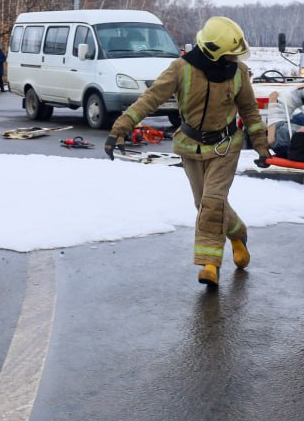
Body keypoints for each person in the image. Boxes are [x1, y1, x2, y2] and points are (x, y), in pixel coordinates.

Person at [103, 16, 271, 288]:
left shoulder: (238, 73)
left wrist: (261, 146)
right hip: (191, 147)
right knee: (203, 204)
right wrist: (120, 127)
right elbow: (151, 98)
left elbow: (249, 110)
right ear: (214, 52)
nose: (233, 59)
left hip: (225, 147)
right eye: (229, 54)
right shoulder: (181, 68)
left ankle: (210, 265)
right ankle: (238, 233)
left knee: (213, 201)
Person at [266, 85, 304, 158]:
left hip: (286, 142)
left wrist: (272, 103)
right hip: (293, 142)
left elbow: (271, 139)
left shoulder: (278, 141)